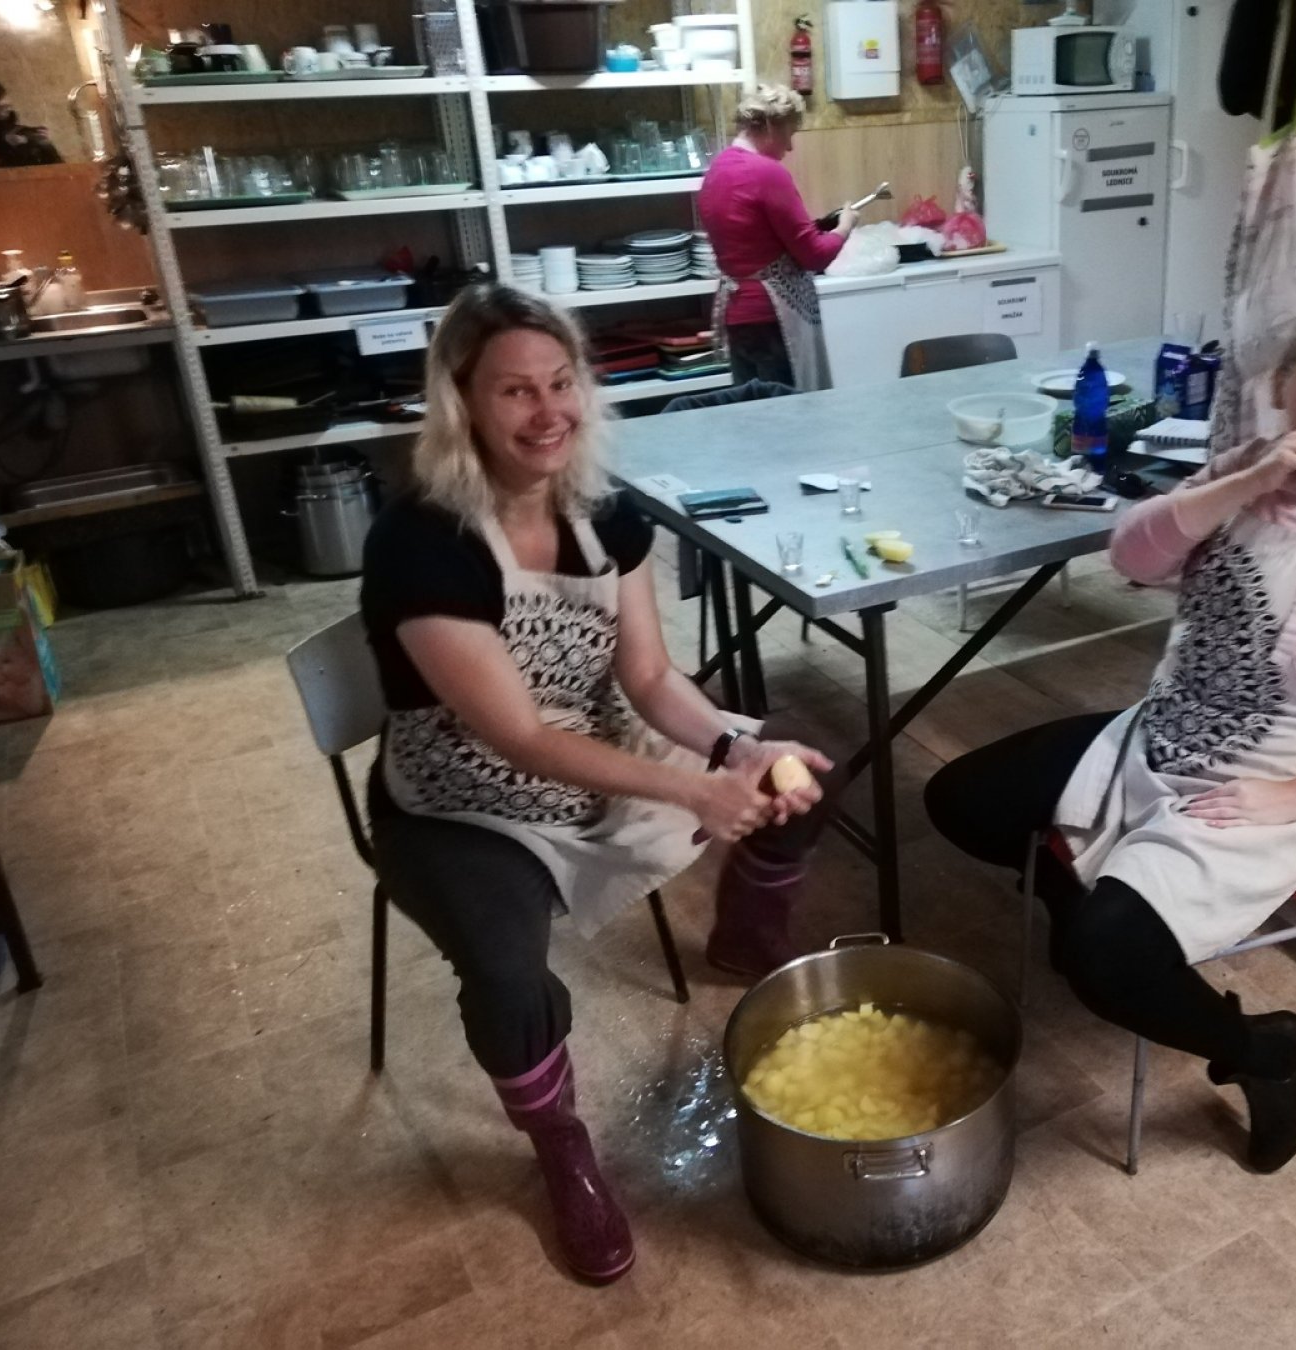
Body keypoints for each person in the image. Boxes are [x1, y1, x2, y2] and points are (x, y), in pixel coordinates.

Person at [925, 294, 1296, 1174]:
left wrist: (1295, 797)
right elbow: (1132, 557)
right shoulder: (1243, 471)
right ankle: (1088, 900)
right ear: (1284, 386)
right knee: (959, 800)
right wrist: (1248, 480)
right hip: (1161, 732)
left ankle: (1263, 1048)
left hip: (1274, 780)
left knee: (1102, 957)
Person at [360, 284, 832, 1283]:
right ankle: (559, 1143)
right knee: (507, 977)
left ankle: (746, 936)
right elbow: (519, 737)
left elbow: (650, 678)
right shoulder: (421, 541)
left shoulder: (605, 513)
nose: (548, 413)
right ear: (462, 403)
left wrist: (729, 753)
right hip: (460, 801)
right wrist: (695, 794)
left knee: (789, 770)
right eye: (515, 391)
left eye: (561, 382)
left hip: (595, 749)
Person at [697, 83, 856, 391]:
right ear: (771, 126)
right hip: (773, 320)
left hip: (738, 317)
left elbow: (757, 241)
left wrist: (814, 228)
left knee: (752, 410)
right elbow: (815, 255)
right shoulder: (768, 173)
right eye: (789, 134)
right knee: (789, 413)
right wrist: (844, 227)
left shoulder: (716, 171)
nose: (790, 147)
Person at [0, 79, 63, 167]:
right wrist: (5, 142)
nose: (3, 111)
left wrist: (32, 135)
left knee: (41, 143)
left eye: (6, 106)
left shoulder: (9, 124)